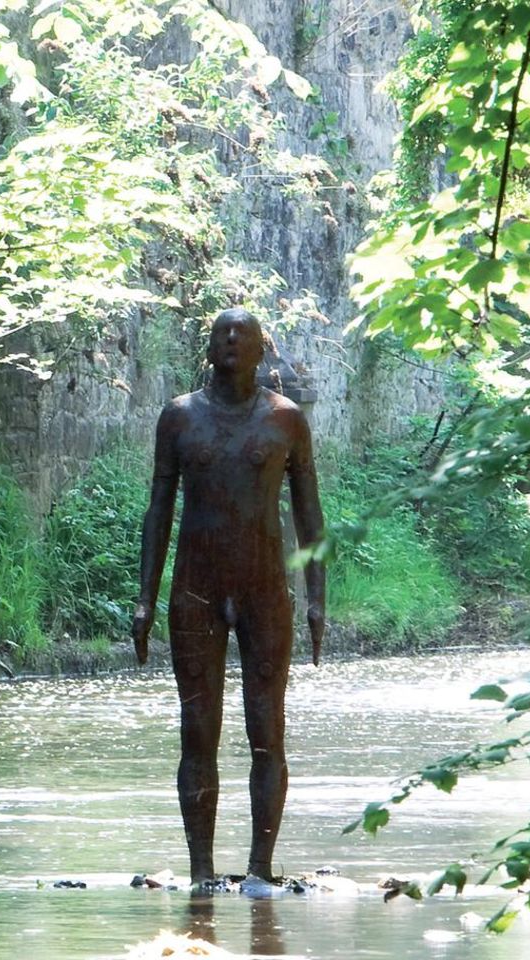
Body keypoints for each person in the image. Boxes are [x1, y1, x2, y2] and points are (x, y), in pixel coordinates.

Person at [131, 307, 326, 888]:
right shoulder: (180, 418)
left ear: (264, 348)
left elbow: (311, 514)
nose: (232, 340)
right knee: (198, 729)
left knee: (267, 730)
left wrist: (317, 597)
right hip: (196, 590)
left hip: (266, 591)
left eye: (243, 333)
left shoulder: (285, 420)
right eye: (221, 332)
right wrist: (144, 598)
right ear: (209, 347)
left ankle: (260, 869)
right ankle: (200, 872)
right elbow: (158, 509)